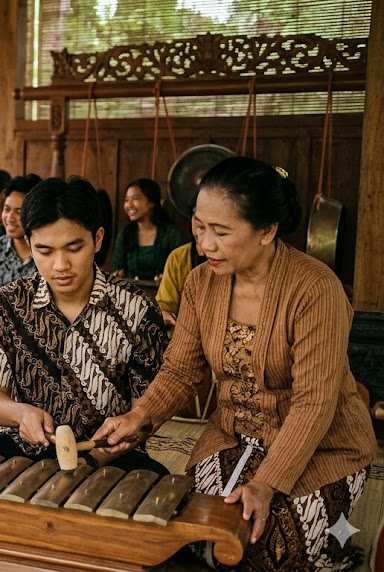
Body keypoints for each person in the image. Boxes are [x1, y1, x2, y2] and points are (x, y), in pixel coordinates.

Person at [93, 157, 375, 570]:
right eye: (199, 226)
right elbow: (180, 370)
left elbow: (315, 404)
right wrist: (139, 415)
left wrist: (266, 484)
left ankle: (337, 551)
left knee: (268, 548)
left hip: (322, 447)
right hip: (233, 438)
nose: (206, 244)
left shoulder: (316, 289)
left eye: (221, 232)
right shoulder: (201, 282)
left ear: (267, 231)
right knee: (193, 536)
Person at [0, 177, 168, 475]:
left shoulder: (139, 308)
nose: (60, 265)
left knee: (156, 482)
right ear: (29, 243)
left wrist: (96, 457)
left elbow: (143, 414)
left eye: (73, 248)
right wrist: (21, 413)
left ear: (98, 238)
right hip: (27, 449)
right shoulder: (7, 304)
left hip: (108, 455)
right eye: (45, 251)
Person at [112, 178, 184, 281]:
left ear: (151, 202)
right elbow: (117, 268)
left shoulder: (171, 234)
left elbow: (180, 272)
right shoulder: (125, 234)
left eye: (135, 198)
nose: (129, 205)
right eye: (127, 200)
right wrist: (118, 274)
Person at [154, 216, 206, 328]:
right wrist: (165, 315)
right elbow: (164, 305)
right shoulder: (178, 257)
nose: (201, 224)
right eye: (196, 216)